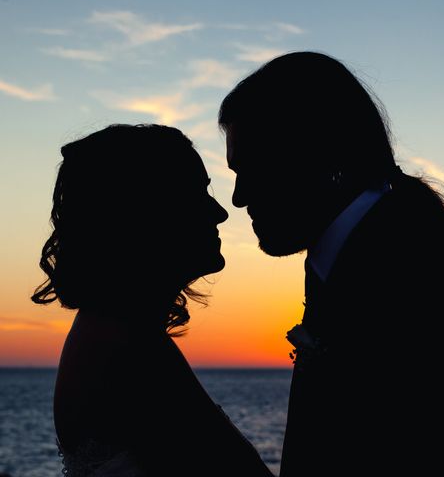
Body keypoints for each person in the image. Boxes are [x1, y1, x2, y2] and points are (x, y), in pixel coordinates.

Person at [218, 51, 444, 476]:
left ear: (320, 156)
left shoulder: (407, 270)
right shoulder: (364, 245)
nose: (239, 196)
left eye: (253, 168)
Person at [32, 124, 273, 477]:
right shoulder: (129, 351)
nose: (219, 212)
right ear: (147, 212)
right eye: (197, 193)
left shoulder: (118, 332)